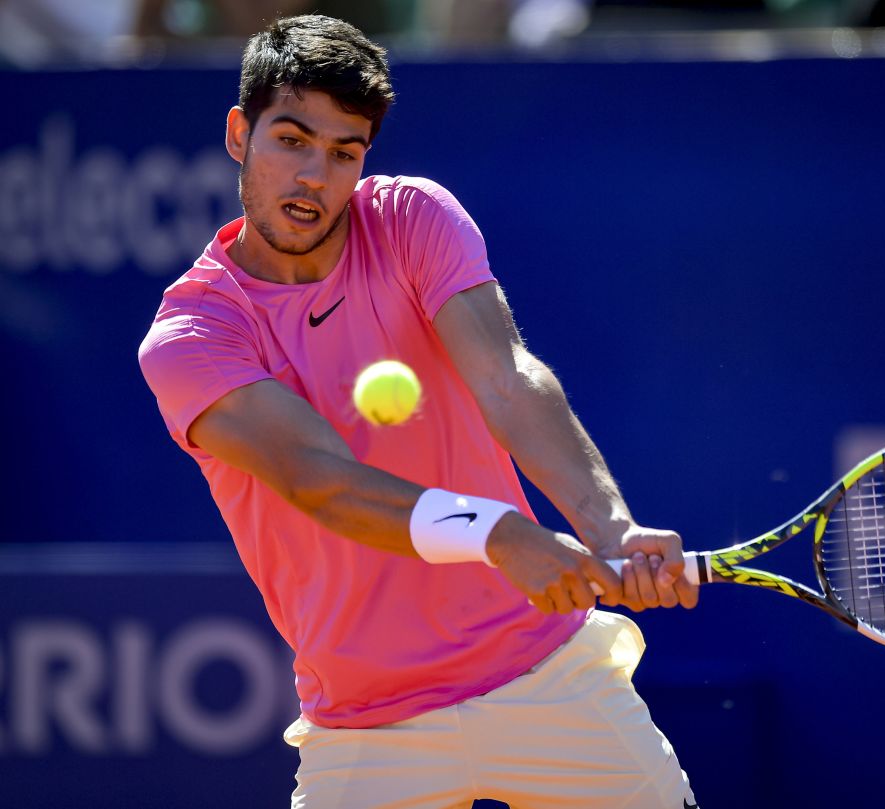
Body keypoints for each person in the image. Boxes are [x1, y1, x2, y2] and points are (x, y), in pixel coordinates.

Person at [138, 14, 699, 809]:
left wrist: (609, 524)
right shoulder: (192, 336)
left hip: (545, 674)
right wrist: (501, 535)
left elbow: (508, 380)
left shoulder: (411, 219)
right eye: (291, 140)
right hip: (366, 727)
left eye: (343, 152)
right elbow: (318, 480)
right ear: (240, 133)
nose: (313, 177)